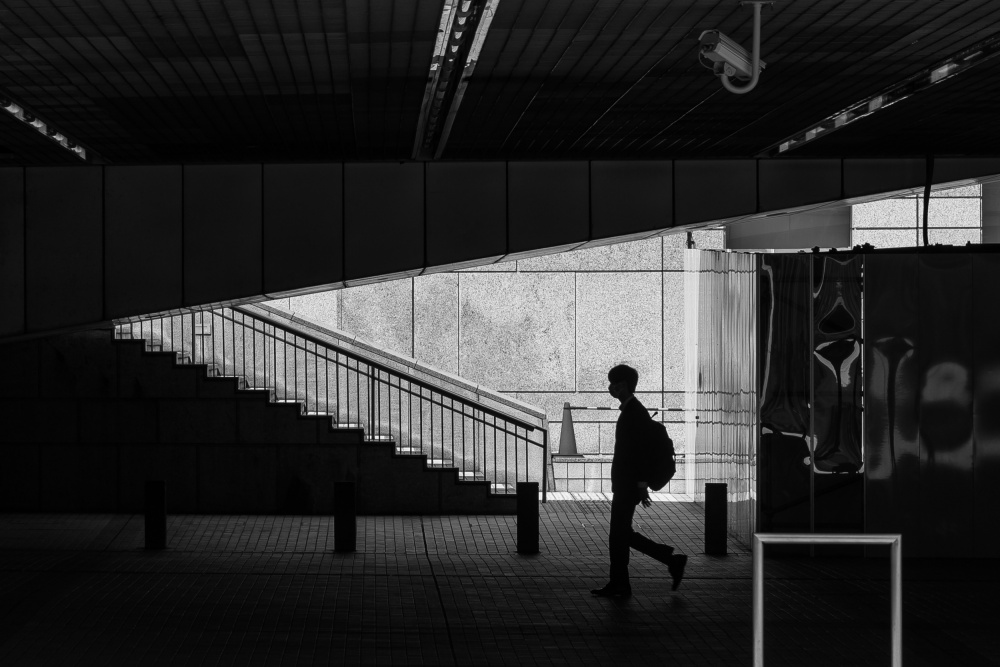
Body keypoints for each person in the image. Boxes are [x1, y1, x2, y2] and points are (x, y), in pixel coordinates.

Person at [591, 364, 687, 598]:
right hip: (628, 485)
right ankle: (628, 579)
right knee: (621, 535)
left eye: (613, 384)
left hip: (628, 486)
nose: (610, 388)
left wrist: (641, 486)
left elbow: (639, 454)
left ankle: (660, 564)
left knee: (619, 535)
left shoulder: (633, 413)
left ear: (623, 385)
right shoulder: (632, 411)